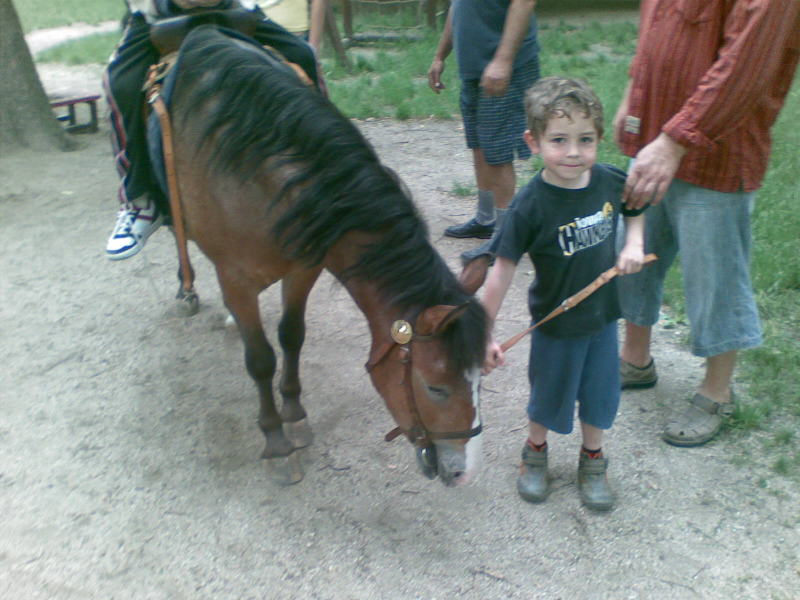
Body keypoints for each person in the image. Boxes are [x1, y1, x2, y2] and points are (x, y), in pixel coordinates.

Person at [614, 0, 800, 447]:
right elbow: (653, 29)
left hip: (718, 153)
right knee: (633, 250)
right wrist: (631, 98)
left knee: (713, 277)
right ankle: (635, 359)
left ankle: (717, 393)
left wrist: (674, 143)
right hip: (655, 139)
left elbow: (745, 67)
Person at [481, 77, 647, 511]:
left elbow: (635, 206)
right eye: (559, 140)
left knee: (600, 396)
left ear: (598, 139)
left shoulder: (608, 181)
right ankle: (535, 452)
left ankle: (593, 459)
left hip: (603, 319)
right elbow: (501, 272)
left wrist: (633, 243)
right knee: (548, 397)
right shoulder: (529, 205)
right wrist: (483, 332)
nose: (573, 152)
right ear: (533, 142)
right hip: (556, 327)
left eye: (585, 139)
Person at [105, 0, 322, 260]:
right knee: (120, 83)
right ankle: (139, 200)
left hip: (230, 7)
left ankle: (324, 171)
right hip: (157, 14)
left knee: (303, 55)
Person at [427, 0, 539, 265]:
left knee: (497, 152)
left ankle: (505, 238)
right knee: (479, 145)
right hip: (474, 66)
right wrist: (440, 56)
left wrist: (503, 60)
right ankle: (485, 219)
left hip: (505, 66)